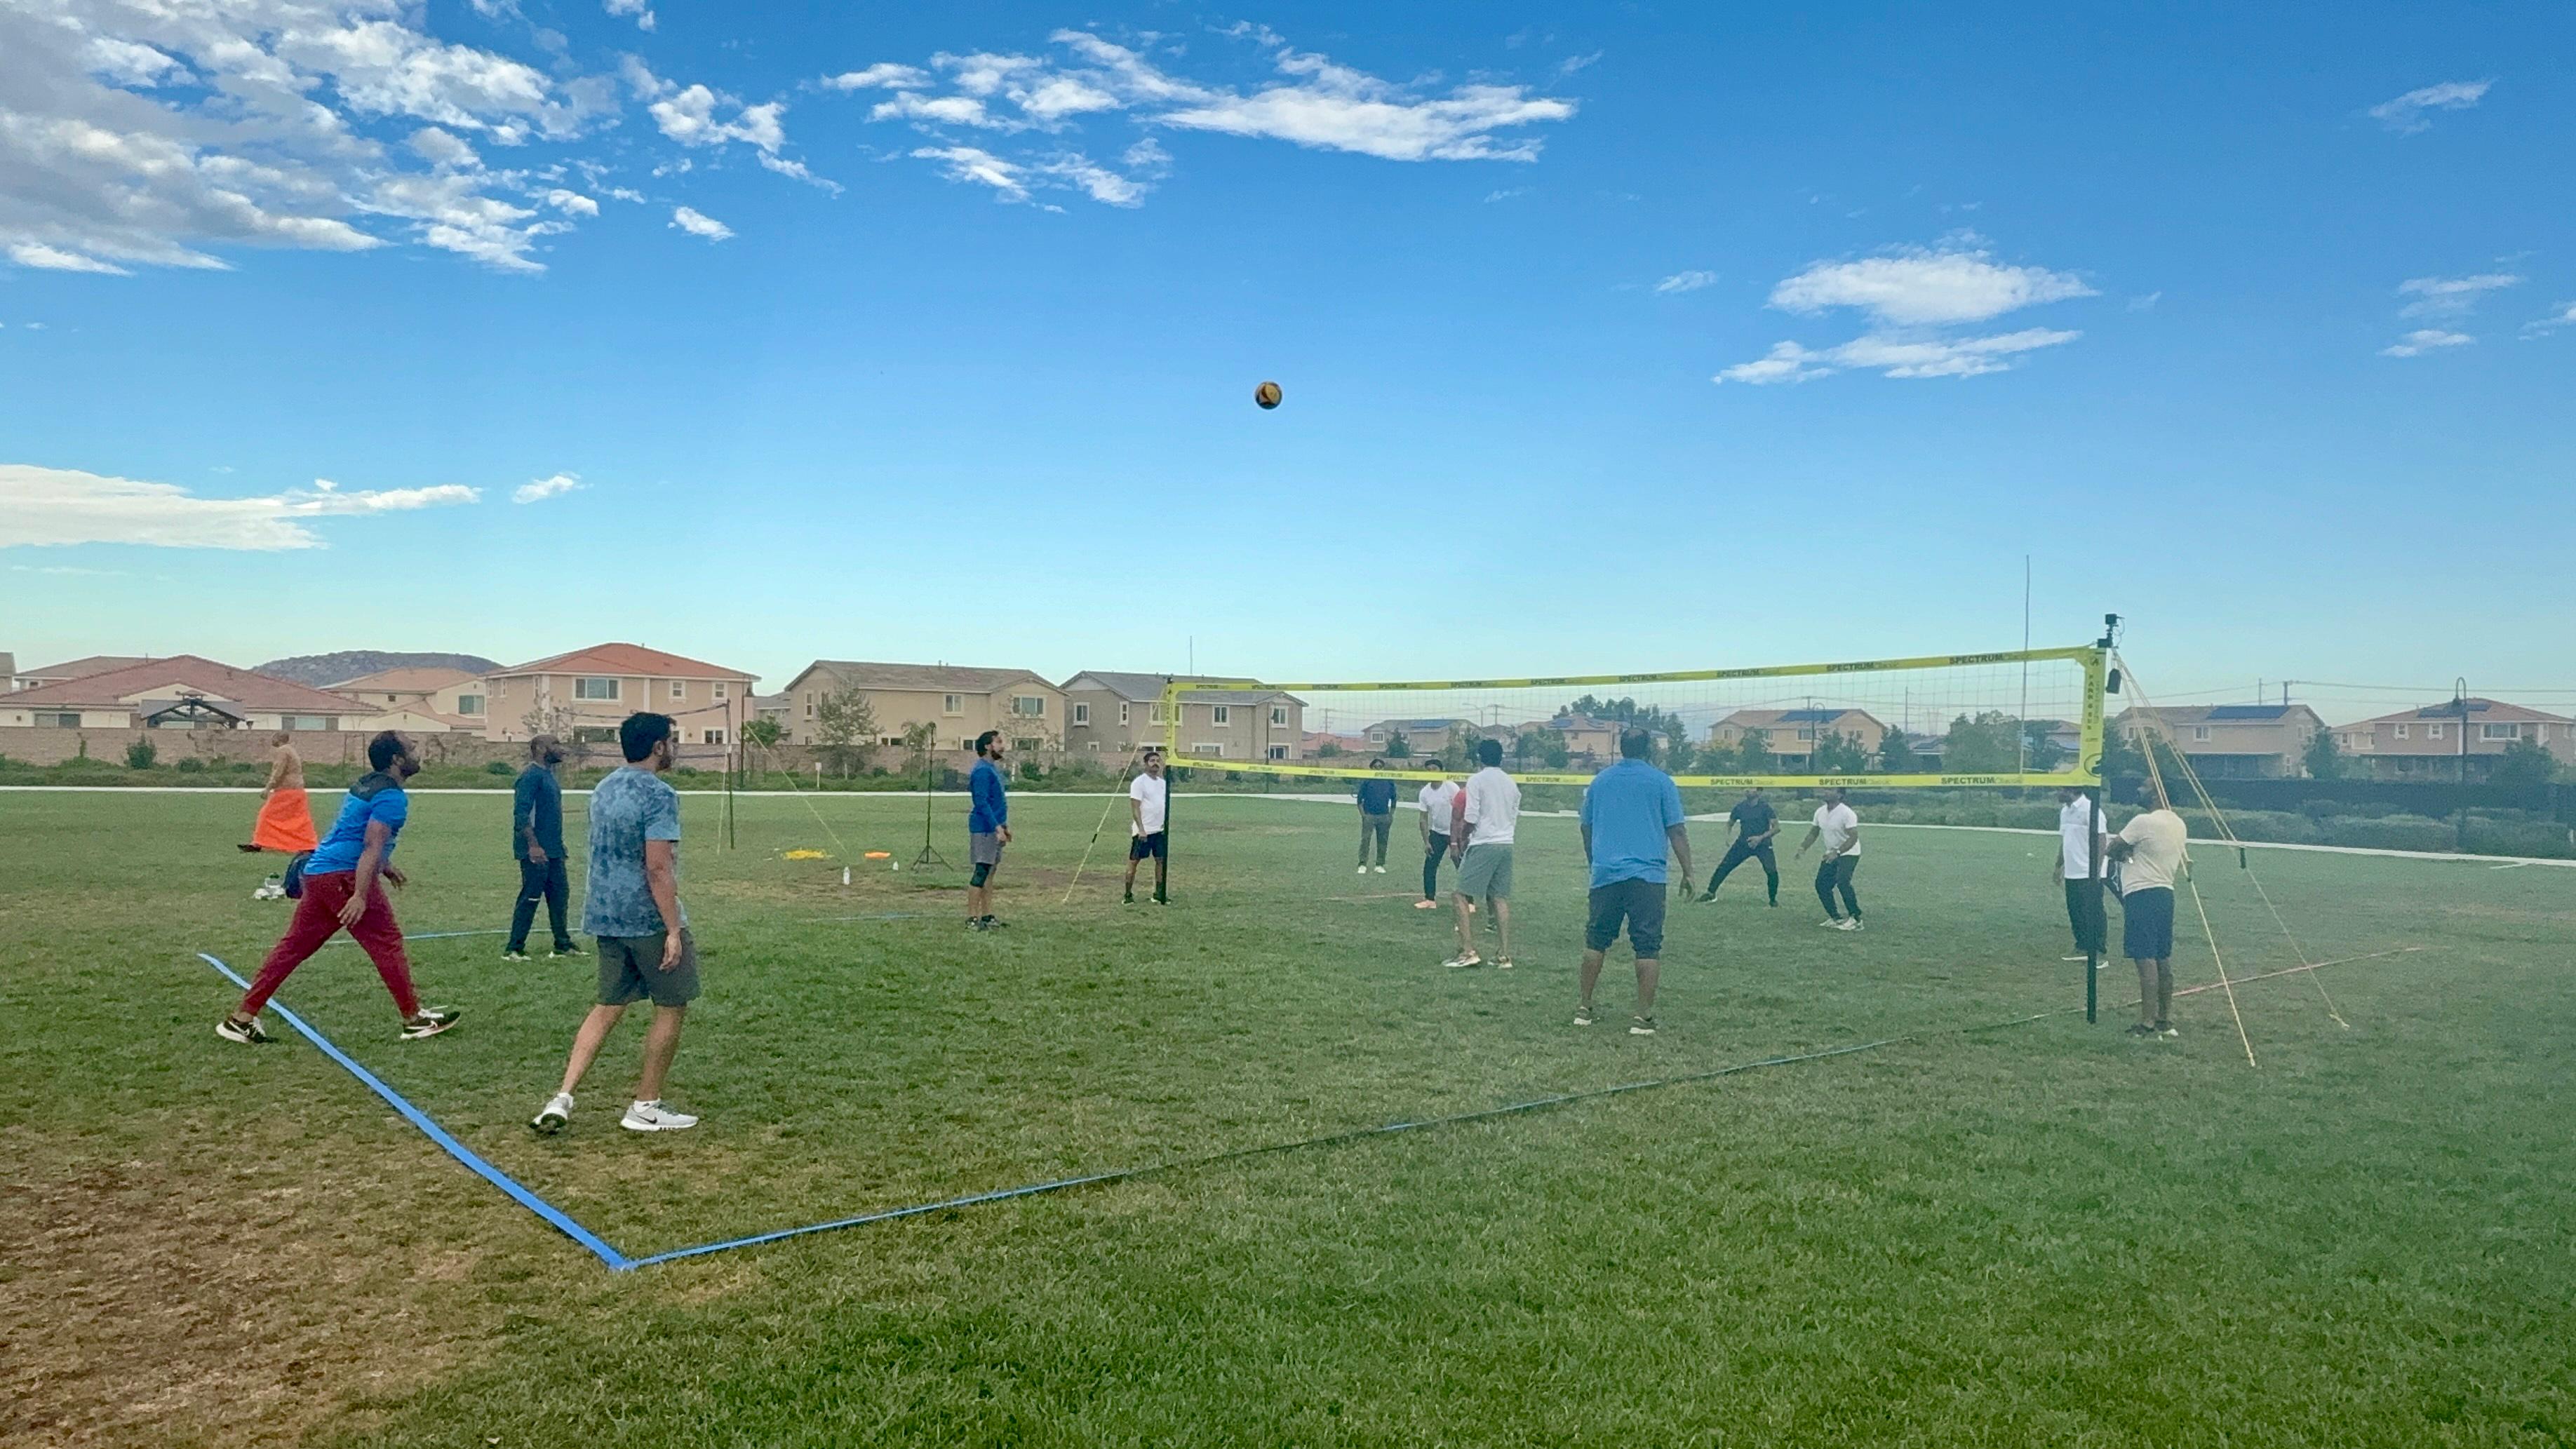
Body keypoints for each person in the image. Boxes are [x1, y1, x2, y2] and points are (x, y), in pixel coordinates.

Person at [217, 731, 458, 1045]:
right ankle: (413, 1020)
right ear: (397, 760)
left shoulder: (365, 784)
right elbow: (371, 844)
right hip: (344, 878)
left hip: (319, 873)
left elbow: (350, 833)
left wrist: (386, 867)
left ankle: (242, 1018)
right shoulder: (392, 797)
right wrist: (360, 894)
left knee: (293, 948)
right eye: (412, 749)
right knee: (386, 942)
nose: (418, 754)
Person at [530, 713, 699, 1134]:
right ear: (659, 746)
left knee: (608, 1006)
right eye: (671, 741)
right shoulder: (659, 795)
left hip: (605, 915)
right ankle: (646, 1105)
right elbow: (657, 868)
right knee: (671, 1006)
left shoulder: (603, 788)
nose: (673, 748)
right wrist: (673, 929)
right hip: (646, 918)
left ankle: (562, 1097)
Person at [1577, 729, 1694, 1035]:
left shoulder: (1600, 781)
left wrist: (1595, 861)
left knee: (1596, 940)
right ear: (1650, 749)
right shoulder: (1661, 782)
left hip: (1606, 874)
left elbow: (1586, 828)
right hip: (1647, 877)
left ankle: (1584, 1007)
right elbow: (1677, 831)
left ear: (1621, 748)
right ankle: (1642, 1017)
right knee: (1647, 945)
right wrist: (1689, 872)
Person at [2107, 793, 2189, 1039]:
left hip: (2141, 894)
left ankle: (2147, 1023)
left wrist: (2126, 853)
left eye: (2145, 785)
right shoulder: (2178, 824)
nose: (2139, 789)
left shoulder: (2143, 821)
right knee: (2162, 956)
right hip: (2166, 893)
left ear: (2156, 794)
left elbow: (2112, 848)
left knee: (2145, 958)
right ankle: (2164, 1018)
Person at [504, 735, 582, 962]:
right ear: (540, 748)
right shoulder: (530, 776)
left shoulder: (549, 775)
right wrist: (533, 845)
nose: (560, 749)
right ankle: (514, 948)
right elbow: (521, 814)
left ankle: (562, 945)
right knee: (531, 896)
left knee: (560, 896)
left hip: (555, 849)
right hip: (536, 851)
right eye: (555, 744)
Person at [1445, 739, 1521, 969]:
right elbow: (1514, 815)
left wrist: (1463, 838)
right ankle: (1503, 955)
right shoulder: (1511, 783)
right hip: (1506, 843)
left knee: (1460, 895)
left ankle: (1468, 951)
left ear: (1479, 757)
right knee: (1499, 898)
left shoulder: (1477, 780)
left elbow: (1471, 817)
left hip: (1484, 842)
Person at [242, 730, 318, 900]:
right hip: (297, 790)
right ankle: (309, 843)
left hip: (287, 791)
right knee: (300, 820)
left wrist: (268, 787)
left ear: (279, 739)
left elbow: (279, 770)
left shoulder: (283, 751)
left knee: (266, 815)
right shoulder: (292, 750)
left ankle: (259, 842)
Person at [2053, 786, 2112, 965]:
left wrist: (2097, 869)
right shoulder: (2066, 811)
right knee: (2075, 910)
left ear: (2071, 791)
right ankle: (2082, 946)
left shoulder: (2090, 809)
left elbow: (2101, 840)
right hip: (2072, 870)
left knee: (2092, 910)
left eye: (2060, 790)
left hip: (2089, 870)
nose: (2057, 793)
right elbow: (2066, 840)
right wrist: (2058, 866)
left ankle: (2098, 950)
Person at [1695, 786, 1780, 906]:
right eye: (1746, 787)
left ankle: (1773, 900)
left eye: (1752, 787)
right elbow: (1730, 823)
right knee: (1725, 866)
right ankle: (1710, 893)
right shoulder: (1740, 807)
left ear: (1759, 792)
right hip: (1743, 844)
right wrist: (1727, 837)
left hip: (1763, 845)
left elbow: (1776, 828)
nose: (1747, 790)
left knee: (1771, 871)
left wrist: (1760, 838)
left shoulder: (1765, 808)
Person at [1796, 786, 1864, 931]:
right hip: (1831, 853)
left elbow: (1853, 837)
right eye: (1825, 789)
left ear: (1840, 795)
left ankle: (1856, 919)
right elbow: (1814, 832)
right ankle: (1835, 918)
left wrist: (1838, 852)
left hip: (1849, 853)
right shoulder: (1820, 812)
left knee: (1843, 882)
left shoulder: (1847, 813)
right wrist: (1803, 847)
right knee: (1822, 885)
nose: (1826, 792)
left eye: (1831, 790)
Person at [966, 730, 1012, 929]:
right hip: (984, 829)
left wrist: (1004, 827)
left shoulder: (993, 769)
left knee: (990, 873)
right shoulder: (982, 771)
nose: (1002, 746)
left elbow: (997, 802)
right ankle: (972, 918)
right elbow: (981, 802)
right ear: (987, 746)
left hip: (995, 828)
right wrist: (995, 827)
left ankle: (987, 916)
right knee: (981, 872)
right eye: (998, 742)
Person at [1124, 748, 1169, 905]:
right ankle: (1128, 895)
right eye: (1152, 761)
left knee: (1161, 862)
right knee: (1134, 862)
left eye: (1158, 761)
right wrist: (1141, 829)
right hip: (1143, 832)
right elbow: (1135, 807)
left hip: (1159, 831)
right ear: (1146, 764)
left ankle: (1159, 894)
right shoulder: (1139, 783)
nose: (1156, 764)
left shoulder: (1163, 783)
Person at [1414, 759, 1461, 910]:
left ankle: (1469, 902)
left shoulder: (1452, 787)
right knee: (1430, 866)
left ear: (1441, 770)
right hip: (1437, 833)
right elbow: (1423, 818)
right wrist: (1426, 841)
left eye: (1434, 768)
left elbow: (1462, 809)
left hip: (1456, 832)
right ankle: (1430, 900)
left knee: (1461, 865)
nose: (1431, 772)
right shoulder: (1425, 792)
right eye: (1428, 769)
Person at [1355, 760, 1396, 875]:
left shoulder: (1389, 782)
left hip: (1384, 815)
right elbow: (1359, 800)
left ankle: (1380, 864)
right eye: (1375, 767)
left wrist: (1391, 815)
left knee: (1383, 841)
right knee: (1365, 840)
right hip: (1369, 815)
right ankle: (1362, 864)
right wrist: (1363, 815)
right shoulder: (1367, 781)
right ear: (1372, 768)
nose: (1378, 769)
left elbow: (1394, 799)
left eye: (1380, 767)